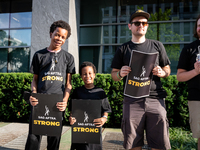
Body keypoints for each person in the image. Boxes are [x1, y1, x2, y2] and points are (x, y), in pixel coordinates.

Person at [111, 10, 171, 150]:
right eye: (137, 23)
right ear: (130, 26)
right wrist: (120, 73)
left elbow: (167, 69)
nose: (141, 25)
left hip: (155, 100)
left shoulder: (157, 46)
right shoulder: (123, 49)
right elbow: (113, 75)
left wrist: (163, 73)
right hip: (132, 100)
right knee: (133, 144)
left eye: (144, 23)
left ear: (147, 26)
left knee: (160, 144)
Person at [25, 20, 75, 150]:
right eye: (57, 35)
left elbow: (69, 84)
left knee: (54, 140)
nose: (59, 38)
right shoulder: (39, 55)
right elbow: (35, 80)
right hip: (39, 102)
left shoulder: (68, 58)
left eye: (63, 37)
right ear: (51, 34)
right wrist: (34, 94)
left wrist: (64, 101)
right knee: (33, 138)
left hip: (57, 104)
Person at [69, 61, 112, 150]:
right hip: (79, 130)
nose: (87, 76)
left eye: (90, 73)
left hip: (94, 130)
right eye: (84, 74)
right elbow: (72, 110)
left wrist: (104, 118)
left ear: (94, 74)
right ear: (81, 76)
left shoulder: (100, 92)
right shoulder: (77, 91)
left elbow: (106, 109)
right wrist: (71, 118)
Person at [177, 15, 200, 150]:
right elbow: (180, 76)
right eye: (198, 25)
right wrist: (196, 72)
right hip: (197, 99)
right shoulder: (189, 49)